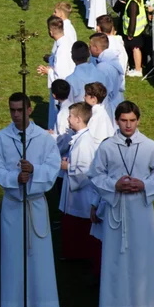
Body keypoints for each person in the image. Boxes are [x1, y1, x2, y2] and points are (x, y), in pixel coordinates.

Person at [90, 101, 154, 307]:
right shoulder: (107, 147)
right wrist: (113, 185)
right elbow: (95, 175)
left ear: (138, 120)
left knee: (144, 256)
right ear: (117, 121)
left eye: (132, 121)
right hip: (116, 208)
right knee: (115, 257)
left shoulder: (150, 146)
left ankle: (149, 305)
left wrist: (145, 185)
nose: (128, 125)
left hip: (141, 209)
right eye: (124, 121)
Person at [0, 92, 61, 307]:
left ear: (29, 110)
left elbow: (53, 165)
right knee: (13, 254)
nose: (16, 115)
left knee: (38, 255)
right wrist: (14, 178)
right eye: (12, 110)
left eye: (20, 110)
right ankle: (13, 303)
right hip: (13, 203)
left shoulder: (43, 138)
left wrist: (34, 171)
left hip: (35, 202)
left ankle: (41, 302)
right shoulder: (1, 138)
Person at [58, 102, 98, 261]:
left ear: (78, 119)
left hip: (81, 195)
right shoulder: (81, 138)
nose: (67, 119)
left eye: (70, 116)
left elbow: (86, 170)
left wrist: (67, 166)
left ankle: (77, 256)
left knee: (78, 227)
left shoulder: (85, 142)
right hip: (75, 193)